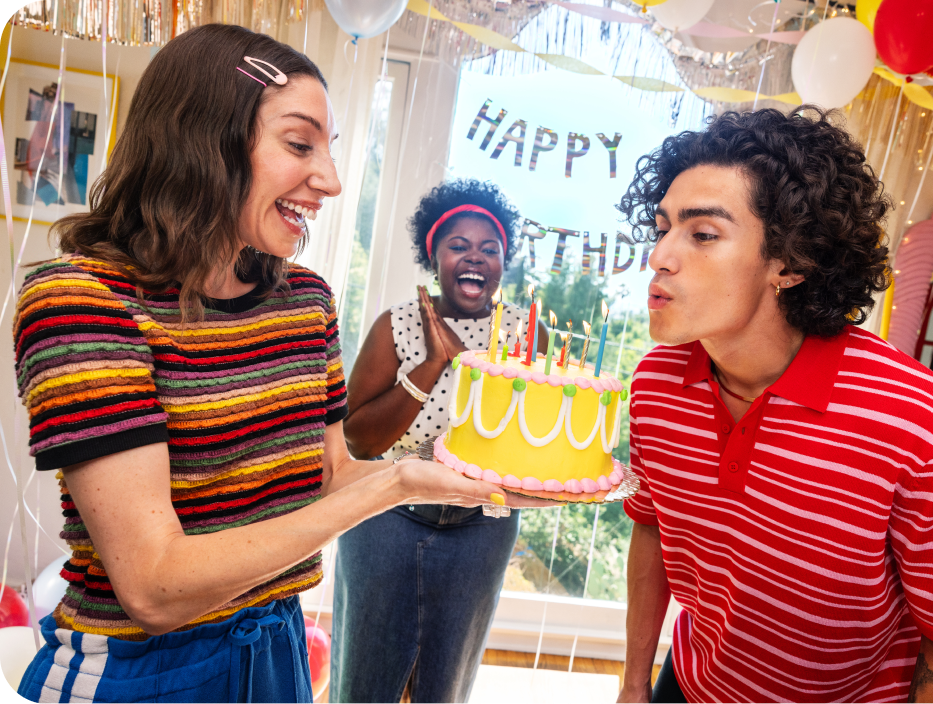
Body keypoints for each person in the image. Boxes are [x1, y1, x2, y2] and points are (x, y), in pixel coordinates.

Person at [12, 25, 534, 704]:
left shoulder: (305, 301)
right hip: (144, 671)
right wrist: (398, 483)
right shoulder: (82, 302)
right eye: (298, 144)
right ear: (204, 139)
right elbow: (153, 587)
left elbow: (332, 474)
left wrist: (458, 481)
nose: (332, 180)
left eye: (329, 148)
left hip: (277, 647)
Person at [614, 108, 933, 704]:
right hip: (690, 684)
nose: (660, 255)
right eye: (662, 228)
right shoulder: (655, 383)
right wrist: (633, 685)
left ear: (791, 262)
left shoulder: (917, 417)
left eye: (702, 234)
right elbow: (651, 527)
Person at [332, 179, 549, 704]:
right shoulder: (398, 326)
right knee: (366, 678)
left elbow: (532, 435)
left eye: (489, 248)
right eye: (458, 246)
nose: (474, 257)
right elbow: (358, 441)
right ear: (434, 255)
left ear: (503, 262)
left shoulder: (525, 334)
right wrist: (434, 362)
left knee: (445, 685)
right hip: (387, 513)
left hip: (481, 525)